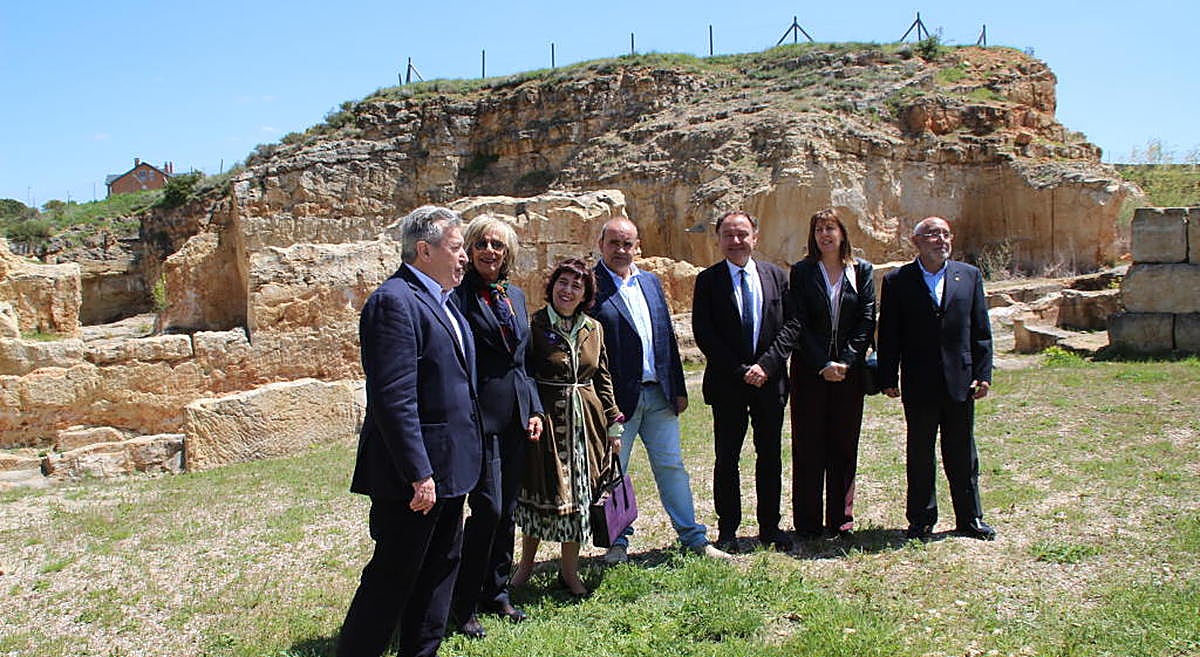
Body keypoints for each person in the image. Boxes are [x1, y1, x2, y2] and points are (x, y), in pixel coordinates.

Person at [336, 205, 481, 657]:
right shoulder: (394, 302)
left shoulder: (444, 301)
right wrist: (419, 472)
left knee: (439, 573)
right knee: (394, 577)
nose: (464, 257)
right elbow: (393, 397)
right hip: (416, 479)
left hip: (451, 468)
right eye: (456, 248)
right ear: (424, 250)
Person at [589, 217, 729, 563]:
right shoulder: (590, 286)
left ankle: (693, 537)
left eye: (627, 244)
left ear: (638, 246)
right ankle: (616, 543)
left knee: (672, 467)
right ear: (601, 244)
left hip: (659, 396)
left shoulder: (650, 282)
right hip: (616, 403)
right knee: (612, 474)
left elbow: (665, 335)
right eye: (614, 243)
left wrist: (678, 387)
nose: (621, 250)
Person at [449, 215, 544, 639]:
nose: (490, 251)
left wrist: (535, 409)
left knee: (507, 511)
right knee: (485, 510)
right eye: (483, 243)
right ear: (469, 249)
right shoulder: (458, 297)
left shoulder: (516, 297)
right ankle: (462, 602)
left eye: (499, 246)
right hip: (478, 418)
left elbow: (522, 363)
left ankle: (497, 591)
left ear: (508, 254)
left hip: (516, 419)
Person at [877, 216, 996, 541]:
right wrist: (888, 375)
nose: (940, 240)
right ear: (916, 241)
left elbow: (981, 330)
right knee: (920, 454)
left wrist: (983, 373)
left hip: (961, 380)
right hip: (919, 381)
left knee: (962, 452)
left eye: (945, 234)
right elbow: (889, 333)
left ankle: (970, 518)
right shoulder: (898, 280)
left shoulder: (969, 276)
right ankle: (921, 520)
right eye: (932, 234)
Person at [511, 258, 623, 597]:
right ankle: (525, 567)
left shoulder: (594, 328)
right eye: (563, 282)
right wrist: (531, 411)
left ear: (585, 293)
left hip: (587, 425)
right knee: (542, 492)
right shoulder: (534, 325)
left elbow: (601, 377)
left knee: (579, 496)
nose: (568, 290)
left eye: (577, 285)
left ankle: (569, 571)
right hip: (545, 421)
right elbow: (525, 373)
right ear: (552, 286)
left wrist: (614, 423)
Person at [691, 210, 793, 552]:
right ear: (718, 239)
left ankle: (770, 527)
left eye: (742, 234)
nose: (736, 241)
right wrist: (741, 370)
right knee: (727, 459)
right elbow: (705, 333)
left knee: (770, 457)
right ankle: (729, 530)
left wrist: (765, 366)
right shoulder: (708, 281)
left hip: (770, 383)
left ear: (755, 237)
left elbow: (790, 326)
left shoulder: (777, 277)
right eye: (728, 235)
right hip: (727, 386)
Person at [782, 209, 876, 539]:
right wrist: (822, 362)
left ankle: (841, 520)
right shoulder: (803, 271)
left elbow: (866, 318)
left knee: (843, 445)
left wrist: (847, 360)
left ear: (842, 233)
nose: (825, 234)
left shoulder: (861, 270)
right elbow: (798, 321)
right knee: (808, 447)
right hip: (810, 372)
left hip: (849, 375)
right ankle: (807, 523)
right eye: (819, 228)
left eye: (831, 228)